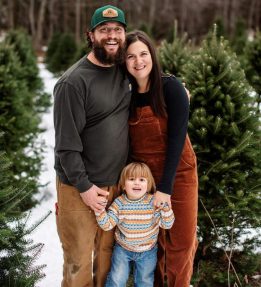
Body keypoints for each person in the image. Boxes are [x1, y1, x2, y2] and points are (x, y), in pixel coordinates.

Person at [53, 5, 131, 287]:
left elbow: (153, 77)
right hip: (78, 189)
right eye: (104, 30)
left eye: (117, 30)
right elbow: (65, 146)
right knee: (79, 263)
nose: (111, 36)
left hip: (116, 188)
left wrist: (175, 87)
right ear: (91, 35)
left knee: (108, 263)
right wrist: (85, 189)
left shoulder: (126, 71)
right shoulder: (73, 83)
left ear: (124, 35)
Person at [125, 30, 198, 287]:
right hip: (144, 179)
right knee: (151, 242)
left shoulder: (172, 88)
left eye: (143, 54)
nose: (138, 61)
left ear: (152, 55)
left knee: (182, 240)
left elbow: (177, 140)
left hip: (178, 173)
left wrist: (165, 188)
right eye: (130, 56)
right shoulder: (125, 94)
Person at [96, 162, 174, 286]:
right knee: (116, 279)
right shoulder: (119, 203)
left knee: (145, 281)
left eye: (142, 179)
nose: (137, 183)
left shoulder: (153, 202)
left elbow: (166, 224)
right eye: (132, 179)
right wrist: (99, 211)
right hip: (123, 249)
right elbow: (108, 225)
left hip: (148, 250)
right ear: (123, 185)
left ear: (148, 184)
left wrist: (166, 208)